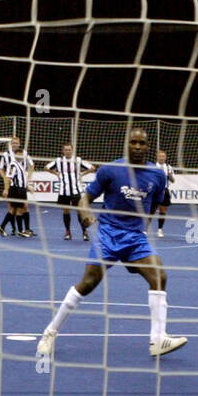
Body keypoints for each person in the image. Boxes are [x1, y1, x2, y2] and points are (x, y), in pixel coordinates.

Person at [35, 128, 187, 359]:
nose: (137, 147)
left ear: (148, 147)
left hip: (135, 239)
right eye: (133, 142)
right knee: (88, 283)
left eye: (142, 143)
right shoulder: (111, 170)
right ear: (127, 145)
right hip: (108, 235)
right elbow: (85, 197)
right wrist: (85, 213)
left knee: (159, 276)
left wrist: (143, 229)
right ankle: (49, 333)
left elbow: (154, 205)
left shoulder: (158, 175)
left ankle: (158, 339)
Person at [46, 143, 96, 241]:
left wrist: (82, 174)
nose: (68, 151)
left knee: (80, 212)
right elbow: (46, 167)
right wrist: (56, 173)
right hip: (63, 191)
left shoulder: (78, 160)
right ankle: (68, 232)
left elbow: (93, 168)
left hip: (75, 190)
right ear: (63, 151)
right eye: (66, 150)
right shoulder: (58, 161)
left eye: (69, 150)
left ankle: (84, 232)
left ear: (72, 151)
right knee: (66, 211)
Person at [0, 137, 34, 238]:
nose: (14, 144)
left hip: (20, 186)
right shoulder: (8, 157)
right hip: (14, 186)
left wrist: (27, 182)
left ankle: (22, 229)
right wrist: (6, 186)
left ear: (19, 144)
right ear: (10, 144)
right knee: (14, 208)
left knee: (20, 207)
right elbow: (2, 170)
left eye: (16, 143)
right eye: (13, 143)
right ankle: (15, 229)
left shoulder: (22, 156)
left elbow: (32, 165)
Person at [153, 149, 175, 238]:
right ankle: (144, 230)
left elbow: (173, 181)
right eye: (160, 156)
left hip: (164, 191)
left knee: (163, 211)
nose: (161, 158)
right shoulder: (153, 167)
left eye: (163, 156)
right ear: (157, 157)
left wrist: (169, 175)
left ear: (165, 157)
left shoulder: (169, 167)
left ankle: (160, 229)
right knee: (150, 211)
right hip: (154, 191)